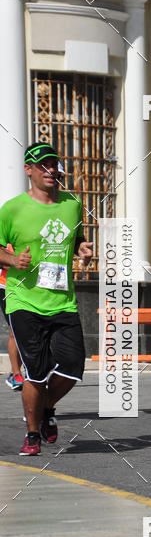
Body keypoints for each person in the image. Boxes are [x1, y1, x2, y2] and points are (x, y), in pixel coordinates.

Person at [0, 142, 92, 456]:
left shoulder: (72, 204)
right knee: (36, 372)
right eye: (43, 165)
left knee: (73, 366)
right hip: (24, 300)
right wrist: (13, 261)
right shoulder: (12, 209)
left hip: (63, 300)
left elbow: (77, 239)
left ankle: (46, 408)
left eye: (53, 164)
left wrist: (82, 249)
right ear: (29, 170)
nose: (51, 170)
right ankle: (32, 434)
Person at [0, 246, 25, 391]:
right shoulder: (5, 234)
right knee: (14, 330)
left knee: (28, 330)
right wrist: (14, 260)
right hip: (6, 286)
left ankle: (29, 370)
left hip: (31, 286)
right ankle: (16, 375)